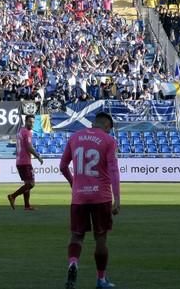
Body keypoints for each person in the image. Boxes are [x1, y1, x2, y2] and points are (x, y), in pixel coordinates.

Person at [59, 112, 120, 289]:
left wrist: (74, 183)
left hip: (79, 196)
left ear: (94, 123)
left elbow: (62, 166)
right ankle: (101, 280)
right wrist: (117, 199)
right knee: (100, 238)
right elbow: (114, 171)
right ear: (107, 126)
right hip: (101, 196)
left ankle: (73, 263)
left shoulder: (75, 137)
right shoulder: (108, 141)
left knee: (76, 236)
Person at [7, 115, 44, 211]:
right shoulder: (26, 132)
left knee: (27, 183)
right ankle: (13, 196)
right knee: (31, 184)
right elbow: (29, 147)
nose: (32, 124)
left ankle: (27, 206)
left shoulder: (21, 131)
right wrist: (38, 156)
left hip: (20, 161)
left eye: (33, 122)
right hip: (24, 162)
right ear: (25, 121)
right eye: (30, 122)